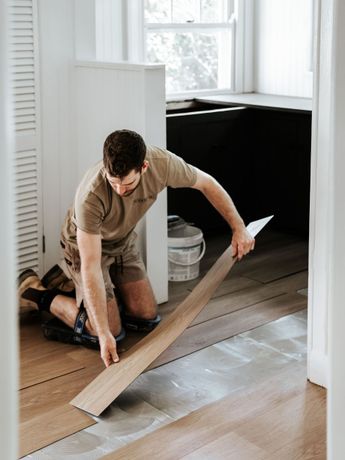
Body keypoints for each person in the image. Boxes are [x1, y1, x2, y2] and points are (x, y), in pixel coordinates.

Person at [18, 129, 255, 368]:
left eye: (128, 184)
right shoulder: (90, 196)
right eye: (114, 183)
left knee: (146, 318)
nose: (121, 191)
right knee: (109, 331)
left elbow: (207, 183)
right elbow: (90, 267)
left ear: (144, 167)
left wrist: (239, 228)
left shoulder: (163, 164)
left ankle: (89, 294)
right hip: (84, 249)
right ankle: (37, 293)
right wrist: (103, 335)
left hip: (122, 242)